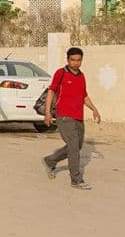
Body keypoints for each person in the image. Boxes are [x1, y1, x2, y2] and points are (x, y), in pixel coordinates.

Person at [42, 47, 102, 190]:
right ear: (67, 60)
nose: (76, 63)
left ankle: (50, 160)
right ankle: (76, 179)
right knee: (74, 147)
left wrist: (94, 109)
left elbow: (84, 96)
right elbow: (51, 92)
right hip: (64, 117)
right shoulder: (60, 73)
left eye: (79, 60)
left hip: (78, 117)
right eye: (73, 60)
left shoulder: (81, 76)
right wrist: (48, 112)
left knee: (76, 146)